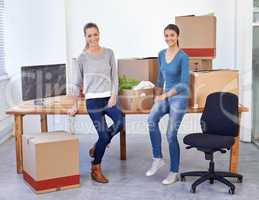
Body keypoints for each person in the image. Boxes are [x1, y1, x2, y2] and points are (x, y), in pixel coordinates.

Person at [69, 22, 124, 184]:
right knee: (103, 134)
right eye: (89, 35)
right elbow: (76, 83)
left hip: (108, 98)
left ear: (99, 34)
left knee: (120, 121)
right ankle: (96, 167)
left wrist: (114, 95)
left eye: (95, 34)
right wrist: (74, 105)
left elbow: (114, 76)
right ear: (85, 37)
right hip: (92, 100)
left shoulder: (109, 53)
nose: (93, 38)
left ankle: (99, 145)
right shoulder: (82, 58)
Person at [145, 24, 189, 185]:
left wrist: (165, 95)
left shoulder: (183, 56)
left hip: (179, 97)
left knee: (171, 134)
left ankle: (174, 172)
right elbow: (159, 80)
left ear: (178, 36)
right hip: (165, 95)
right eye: (166, 35)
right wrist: (157, 97)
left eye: (172, 35)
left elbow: (184, 83)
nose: (169, 38)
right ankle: (157, 158)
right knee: (151, 120)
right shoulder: (161, 54)